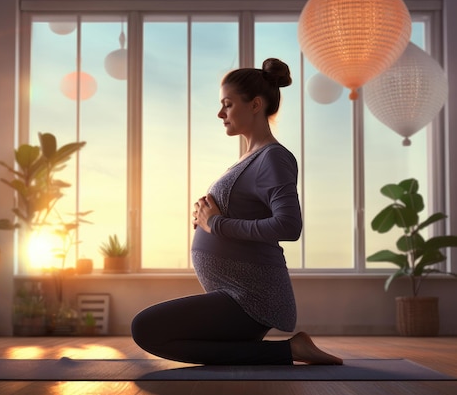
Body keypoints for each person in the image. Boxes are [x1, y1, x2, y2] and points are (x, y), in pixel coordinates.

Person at [131, 58, 343, 366]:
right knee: (153, 332)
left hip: (251, 300)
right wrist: (207, 221)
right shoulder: (251, 158)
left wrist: (215, 224)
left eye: (228, 104)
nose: (220, 113)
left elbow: (288, 225)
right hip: (235, 295)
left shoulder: (273, 158)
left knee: (145, 329)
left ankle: (290, 350)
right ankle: (277, 351)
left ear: (255, 104)